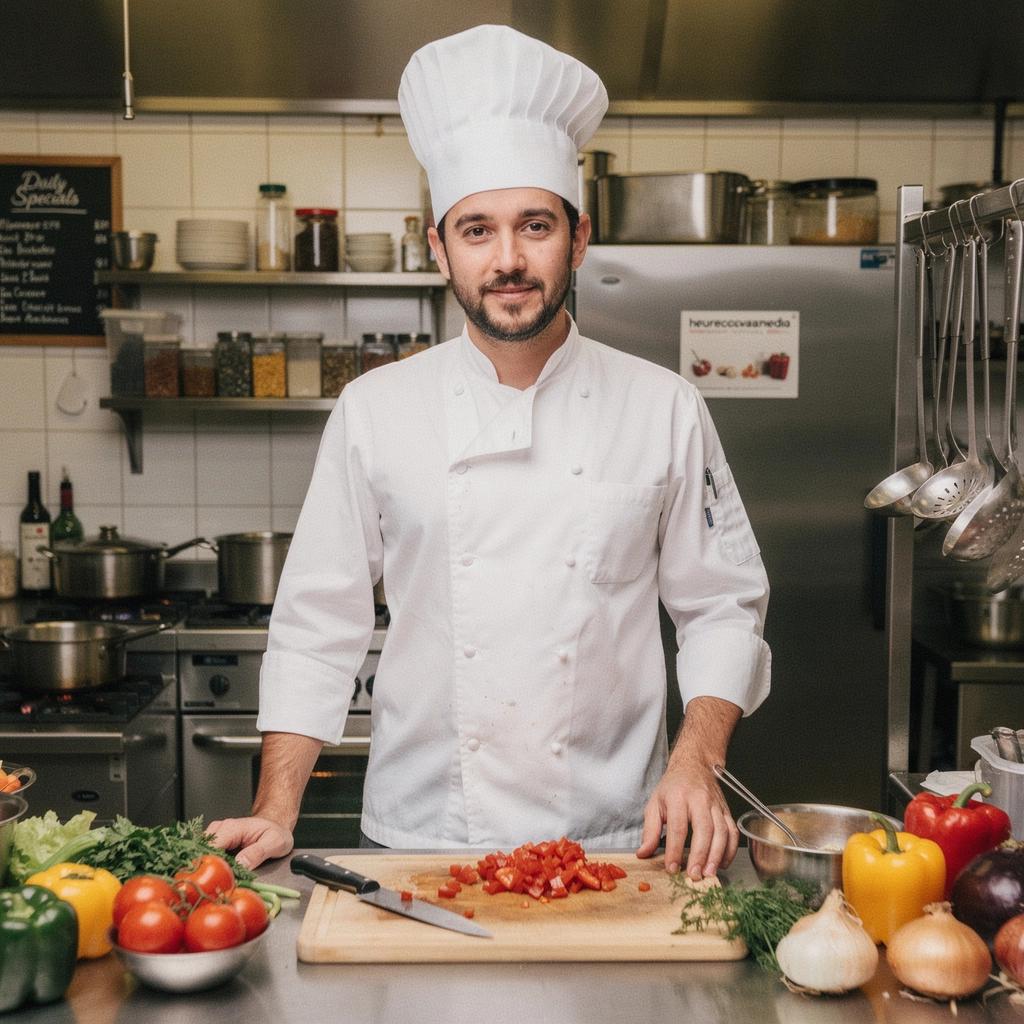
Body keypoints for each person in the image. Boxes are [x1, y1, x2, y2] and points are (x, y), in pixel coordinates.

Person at [210, 24, 770, 880]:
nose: (507, 260)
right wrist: (275, 808)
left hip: (616, 841)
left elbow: (721, 607)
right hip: (420, 839)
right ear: (440, 249)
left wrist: (696, 762)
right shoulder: (374, 411)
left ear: (578, 240)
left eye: (534, 225)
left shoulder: (665, 407)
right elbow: (317, 626)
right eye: (476, 230)